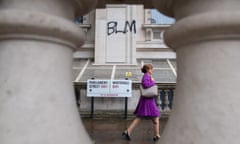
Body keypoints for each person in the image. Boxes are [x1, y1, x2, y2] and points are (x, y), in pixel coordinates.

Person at [122, 64, 161, 141]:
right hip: (148, 101)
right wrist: (153, 82)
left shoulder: (147, 76)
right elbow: (145, 84)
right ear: (147, 69)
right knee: (154, 116)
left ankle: (128, 131)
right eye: (151, 69)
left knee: (141, 117)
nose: (152, 70)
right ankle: (156, 135)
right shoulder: (146, 76)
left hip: (147, 100)